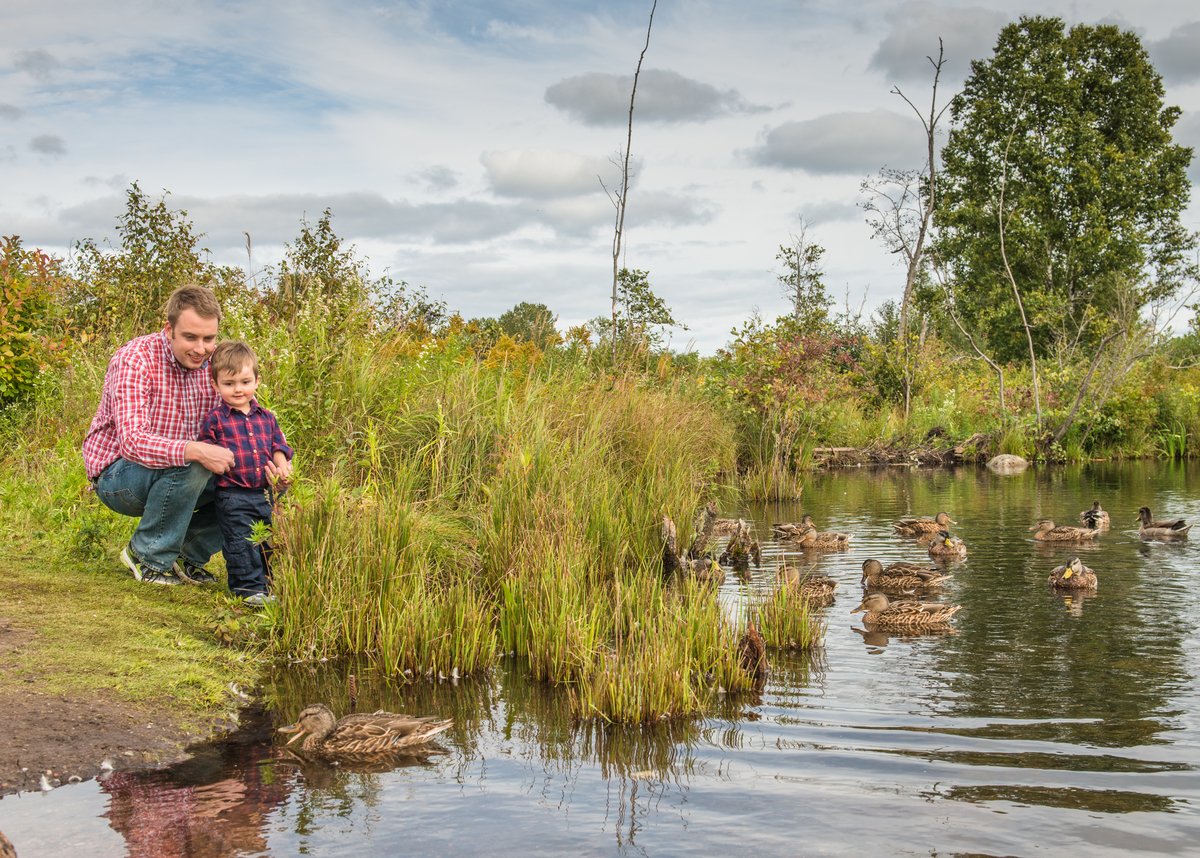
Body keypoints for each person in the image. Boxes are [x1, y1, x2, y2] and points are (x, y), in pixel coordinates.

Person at [83, 285, 235, 585]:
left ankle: (187, 554)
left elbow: (248, 416)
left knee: (261, 479)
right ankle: (147, 555)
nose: (201, 349)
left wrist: (275, 457)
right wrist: (197, 450)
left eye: (209, 338)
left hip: (183, 474)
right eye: (190, 337)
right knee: (195, 459)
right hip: (120, 479)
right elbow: (132, 441)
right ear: (169, 329)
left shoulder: (217, 362)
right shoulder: (135, 359)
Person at [198, 340, 293, 606]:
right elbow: (206, 447)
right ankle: (247, 589)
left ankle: (265, 585)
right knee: (240, 539)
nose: (238, 389)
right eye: (229, 384)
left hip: (265, 492)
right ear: (216, 385)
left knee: (265, 538)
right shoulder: (216, 418)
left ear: (256, 381)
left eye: (244, 382)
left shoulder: (266, 417)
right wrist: (213, 456)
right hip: (232, 492)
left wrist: (280, 460)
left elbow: (279, 443)